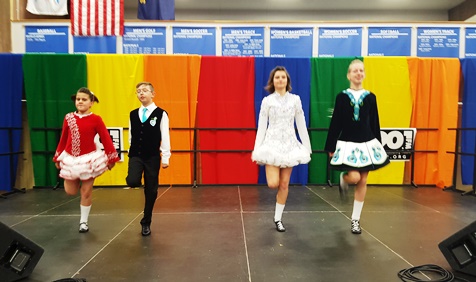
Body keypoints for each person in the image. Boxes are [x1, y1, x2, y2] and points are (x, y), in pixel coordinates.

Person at [324, 59, 390, 234]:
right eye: (355, 71)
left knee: (364, 180)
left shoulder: (370, 97)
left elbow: (375, 122)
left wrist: (379, 145)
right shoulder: (342, 97)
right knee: (354, 177)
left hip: (367, 143)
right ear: (349, 75)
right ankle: (344, 180)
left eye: (361, 70)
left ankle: (355, 219)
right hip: (348, 143)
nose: (358, 73)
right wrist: (331, 145)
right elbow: (336, 123)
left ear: (364, 74)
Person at [252, 66, 312, 232]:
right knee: (273, 183)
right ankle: (277, 213)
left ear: (287, 81)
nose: (280, 80)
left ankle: (278, 218)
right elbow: (262, 127)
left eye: (283, 77)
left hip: (290, 146)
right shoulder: (267, 101)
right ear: (273, 81)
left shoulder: (295, 100)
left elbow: (301, 124)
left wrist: (307, 147)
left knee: (284, 184)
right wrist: (256, 150)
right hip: (271, 146)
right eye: (277, 77)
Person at [53, 87, 119, 233]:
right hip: (70, 159)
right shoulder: (69, 118)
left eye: (84, 99)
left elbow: (105, 138)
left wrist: (111, 157)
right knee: (70, 191)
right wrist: (57, 156)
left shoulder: (96, 119)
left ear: (91, 103)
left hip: (89, 160)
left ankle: (83, 222)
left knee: (86, 191)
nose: (80, 102)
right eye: (78, 99)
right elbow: (63, 138)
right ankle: (75, 180)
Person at [126, 81, 171, 237]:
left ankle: (146, 222)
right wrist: (130, 150)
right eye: (138, 91)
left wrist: (166, 156)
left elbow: (165, 136)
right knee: (132, 181)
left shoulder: (161, 113)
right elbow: (131, 135)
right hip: (136, 154)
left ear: (153, 94)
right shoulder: (132, 114)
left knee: (150, 190)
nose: (141, 93)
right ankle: (135, 179)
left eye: (145, 90)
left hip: (152, 156)